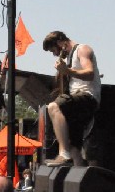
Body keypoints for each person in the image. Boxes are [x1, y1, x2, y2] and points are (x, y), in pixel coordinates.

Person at [42, 31, 101, 167]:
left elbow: (90, 73)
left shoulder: (82, 49)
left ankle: (63, 153)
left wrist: (67, 71)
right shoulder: (68, 58)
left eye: (54, 50)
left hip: (88, 97)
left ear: (60, 43)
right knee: (74, 145)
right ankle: (78, 176)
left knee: (53, 107)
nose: (55, 54)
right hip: (77, 100)